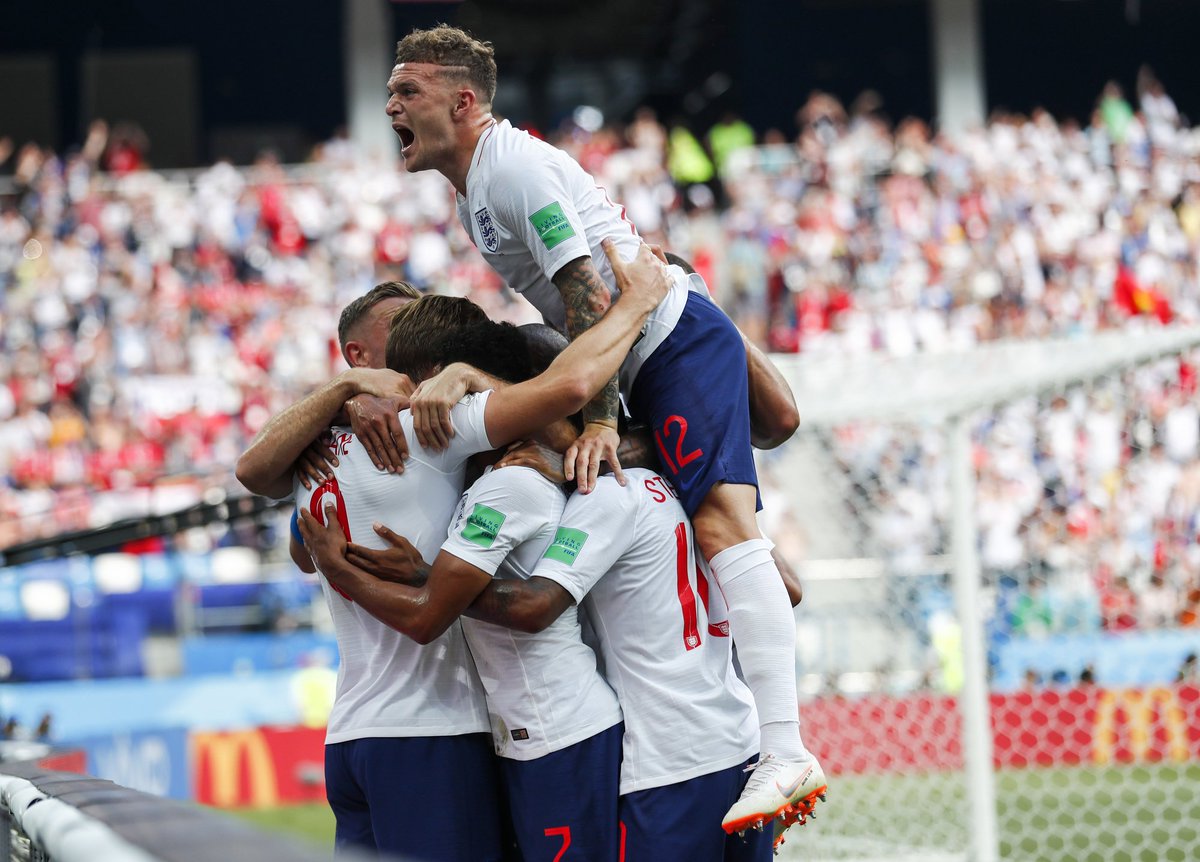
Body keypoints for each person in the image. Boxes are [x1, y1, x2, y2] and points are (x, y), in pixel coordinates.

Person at [386, 24, 820, 832]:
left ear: (464, 100)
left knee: (724, 527)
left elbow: (588, 291)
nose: (392, 107)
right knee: (711, 516)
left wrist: (596, 419)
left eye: (408, 91)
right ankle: (772, 725)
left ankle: (786, 749)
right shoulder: (477, 188)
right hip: (653, 355)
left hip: (669, 343)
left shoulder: (512, 171)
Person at [241, 242, 669, 859]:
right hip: (433, 727)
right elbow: (563, 403)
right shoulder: (429, 426)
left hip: (354, 734)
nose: (417, 327)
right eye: (400, 323)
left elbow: (272, 501)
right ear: (360, 356)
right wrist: (632, 308)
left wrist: (342, 398)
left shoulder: (314, 450)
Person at [302, 325, 624, 862]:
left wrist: (348, 571)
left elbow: (490, 611)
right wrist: (343, 399)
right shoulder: (481, 477)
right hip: (513, 736)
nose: (415, 399)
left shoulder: (512, 484)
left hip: (561, 733)